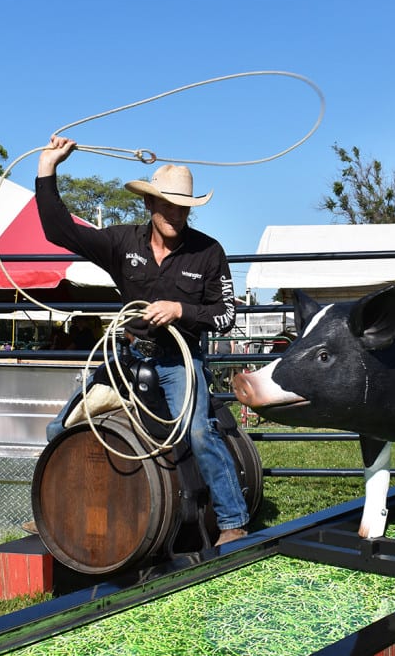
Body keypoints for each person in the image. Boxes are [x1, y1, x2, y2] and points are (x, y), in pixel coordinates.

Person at [35, 135, 248, 546]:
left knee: (200, 432)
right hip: (130, 356)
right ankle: (57, 511)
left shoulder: (208, 252)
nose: (176, 213)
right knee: (61, 427)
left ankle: (232, 520)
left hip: (179, 361)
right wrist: (48, 169)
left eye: (182, 206)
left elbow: (226, 317)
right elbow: (58, 231)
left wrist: (181, 310)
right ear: (149, 204)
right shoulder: (122, 243)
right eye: (167, 205)